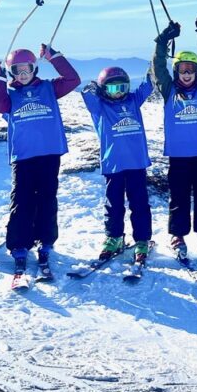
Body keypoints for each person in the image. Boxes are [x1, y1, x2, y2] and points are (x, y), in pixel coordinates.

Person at [0, 44, 81, 276]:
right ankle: (19, 244)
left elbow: (72, 79)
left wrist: (55, 58)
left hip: (49, 153)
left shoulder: (50, 88)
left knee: (47, 198)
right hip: (23, 155)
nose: (22, 75)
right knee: (22, 199)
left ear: (34, 69)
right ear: (11, 72)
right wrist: (0, 80)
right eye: (16, 71)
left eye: (26, 69)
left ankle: (45, 240)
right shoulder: (10, 94)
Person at [150, 17, 197, 261]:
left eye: (191, 70)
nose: (187, 74)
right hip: (178, 156)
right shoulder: (169, 90)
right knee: (179, 196)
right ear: (176, 71)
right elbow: (158, 67)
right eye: (182, 70)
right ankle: (178, 235)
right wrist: (162, 41)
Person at [81, 66, 154, 264]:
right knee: (113, 204)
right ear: (104, 90)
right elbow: (88, 96)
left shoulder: (133, 101)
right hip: (113, 165)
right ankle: (114, 237)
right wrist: (91, 88)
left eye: (122, 87)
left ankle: (142, 239)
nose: (119, 92)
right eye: (113, 89)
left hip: (136, 163)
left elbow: (149, 83)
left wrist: (160, 50)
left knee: (139, 204)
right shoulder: (100, 107)